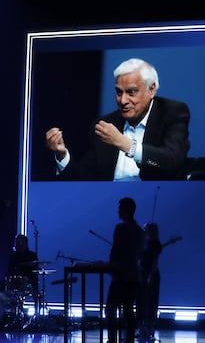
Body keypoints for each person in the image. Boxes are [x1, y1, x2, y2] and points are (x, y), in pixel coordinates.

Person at [45, 57, 191, 181]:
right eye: (119, 92)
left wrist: (125, 144)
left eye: (131, 92)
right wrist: (62, 154)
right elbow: (83, 181)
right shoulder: (106, 126)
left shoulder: (172, 113)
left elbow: (171, 163)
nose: (123, 100)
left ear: (151, 89)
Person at [106, 197, 144, 343]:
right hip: (133, 276)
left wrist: (111, 266)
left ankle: (112, 340)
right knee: (128, 311)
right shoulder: (140, 231)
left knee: (110, 309)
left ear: (127, 210)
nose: (118, 211)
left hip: (120, 276)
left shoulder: (121, 228)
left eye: (120, 209)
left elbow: (115, 251)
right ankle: (129, 340)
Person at [136, 222, 163, 341]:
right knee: (140, 301)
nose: (144, 228)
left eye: (146, 227)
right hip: (141, 274)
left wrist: (150, 276)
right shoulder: (141, 243)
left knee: (151, 302)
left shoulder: (155, 244)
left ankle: (150, 329)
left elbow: (155, 262)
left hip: (150, 274)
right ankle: (141, 328)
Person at [6, 234, 39, 309]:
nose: (20, 245)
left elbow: (35, 269)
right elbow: (9, 271)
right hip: (16, 282)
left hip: (30, 281)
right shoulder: (13, 256)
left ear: (25, 244)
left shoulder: (32, 255)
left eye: (22, 243)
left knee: (35, 290)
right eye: (18, 243)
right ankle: (14, 311)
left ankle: (37, 311)